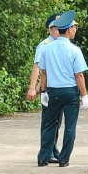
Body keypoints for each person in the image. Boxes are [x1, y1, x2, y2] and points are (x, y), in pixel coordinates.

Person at [36, 11, 88, 167]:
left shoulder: (47, 48)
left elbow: (44, 72)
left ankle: (43, 157)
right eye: (75, 26)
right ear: (68, 29)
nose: (75, 29)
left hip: (53, 91)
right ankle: (64, 159)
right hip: (70, 92)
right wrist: (84, 95)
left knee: (50, 124)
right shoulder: (74, 50)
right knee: (70, 126)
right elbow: (79, 75)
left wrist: (43, 91)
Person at [28, 13, 63, 166]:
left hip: (56, 88)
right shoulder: (45, 45)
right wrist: (32, 88)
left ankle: (52, 150)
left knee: (56, 122)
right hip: (47, 90)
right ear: (50, 30)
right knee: (49, 121)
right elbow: (38, 67)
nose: (58, 31)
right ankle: (46, 152)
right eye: (56, 28)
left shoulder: (60, 45)